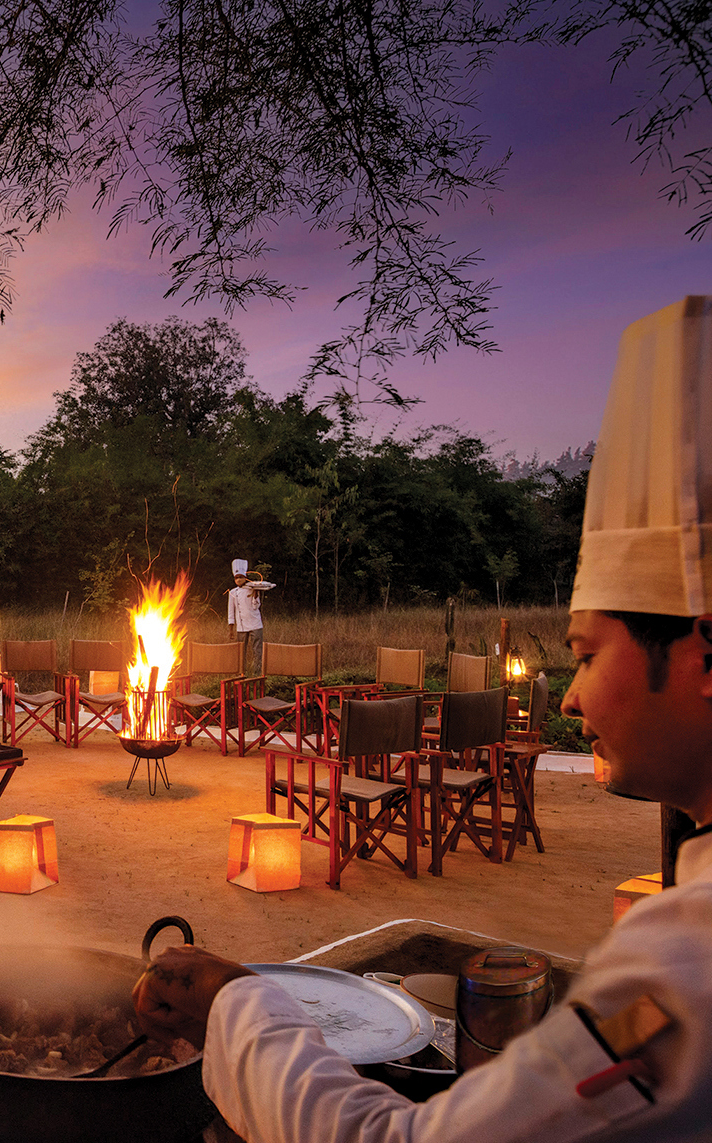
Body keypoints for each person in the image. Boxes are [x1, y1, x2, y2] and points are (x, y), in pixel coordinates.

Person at [132, 296, 712, 1141]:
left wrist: (233, 997)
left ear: (703, 653)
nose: (573, 697)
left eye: (585, 653)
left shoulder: (691, 964)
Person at [226, 559, 275, 675]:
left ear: (245, 578)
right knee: (240, 651)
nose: (239, 580)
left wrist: (255, 595)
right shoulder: (232, 593)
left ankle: (257, 673)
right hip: (241, 627)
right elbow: (231, 612)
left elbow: (256, 606)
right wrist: (231, 628)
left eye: (241, 577)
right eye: (236, 578)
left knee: (257, 650)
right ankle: (241, 673)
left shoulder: (252, 588)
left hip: (255, 624)